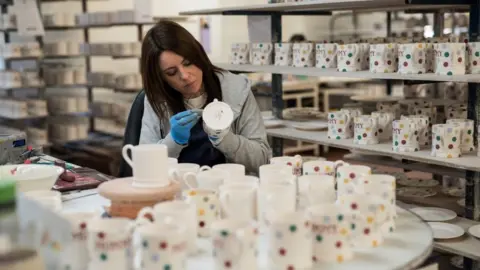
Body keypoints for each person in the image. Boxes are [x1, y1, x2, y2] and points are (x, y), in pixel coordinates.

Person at [139, 20, 271, 174]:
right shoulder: (156, 99)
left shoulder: (237, 90)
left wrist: (226, 140)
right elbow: (144, 166)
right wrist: (173, 141)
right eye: (171, 72)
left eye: (188, 63)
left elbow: (262, 160)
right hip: (178, 190)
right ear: (161, 78)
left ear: (198, 54)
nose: (185, 76)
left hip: (228, 189)